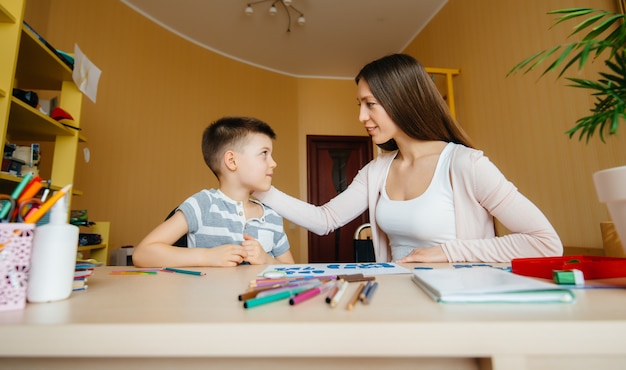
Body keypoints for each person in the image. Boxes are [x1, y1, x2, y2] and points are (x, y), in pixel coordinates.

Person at [254, 54, 563, 263]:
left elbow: (545, 243)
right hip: (397, 299)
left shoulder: (466, 164)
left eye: (370, 104)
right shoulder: (377, 170)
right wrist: (259, 189)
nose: (361, 116)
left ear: (400, 101)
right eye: (360, 105)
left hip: (457, 304)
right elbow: (326, 220)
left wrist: (447, 252)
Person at [133, 116, 295, 267]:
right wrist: (206, 256)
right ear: (232, 161)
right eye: (264, 153)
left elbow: (293, 270)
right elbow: (143, 254)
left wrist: (267, 260)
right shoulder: (202, 205)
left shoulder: (272, 216)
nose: (273, 163)